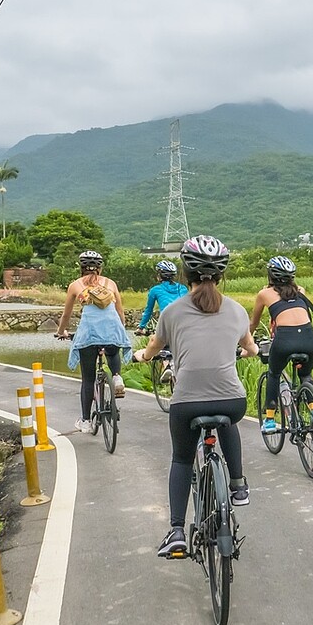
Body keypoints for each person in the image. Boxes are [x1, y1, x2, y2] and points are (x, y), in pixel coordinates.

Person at [134, 235, 259, 557]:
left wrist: (143, 357)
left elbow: (153, 348)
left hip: (187, 402)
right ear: (221, 275)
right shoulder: (236, 310)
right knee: (227, 417)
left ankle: (176, 530)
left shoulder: (172, 312)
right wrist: (249, 351)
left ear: (185, 273)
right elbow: (250, 347)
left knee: (181, 458)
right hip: (232, 400)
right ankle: (238, 485)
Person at [56, 250, 132, 433]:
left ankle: (85, 421)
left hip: (89, 334)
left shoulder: (75, 285)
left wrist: (61, 331)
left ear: (81, 267)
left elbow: (66, 314)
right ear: (100, 267)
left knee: (88, 380)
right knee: (113, 351)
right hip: (112, 331)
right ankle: (116, 376)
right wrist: (120, 329)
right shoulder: (110, 283)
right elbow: (120, 312)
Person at [249, 255, 313, 433]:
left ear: (270, 275)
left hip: (284, 340)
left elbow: (253, 323)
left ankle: (271, 420)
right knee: (306, 376)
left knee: (274, 373)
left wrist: (247, 342)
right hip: (309, 339)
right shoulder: (301, 290)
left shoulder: (264, 294)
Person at [135, 259, 188, 333]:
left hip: (167, 325)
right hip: (184, 325)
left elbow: (148, 311)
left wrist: (141, 327)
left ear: (160, 275)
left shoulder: (155, 290)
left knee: (156, 343)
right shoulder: (183, 288)